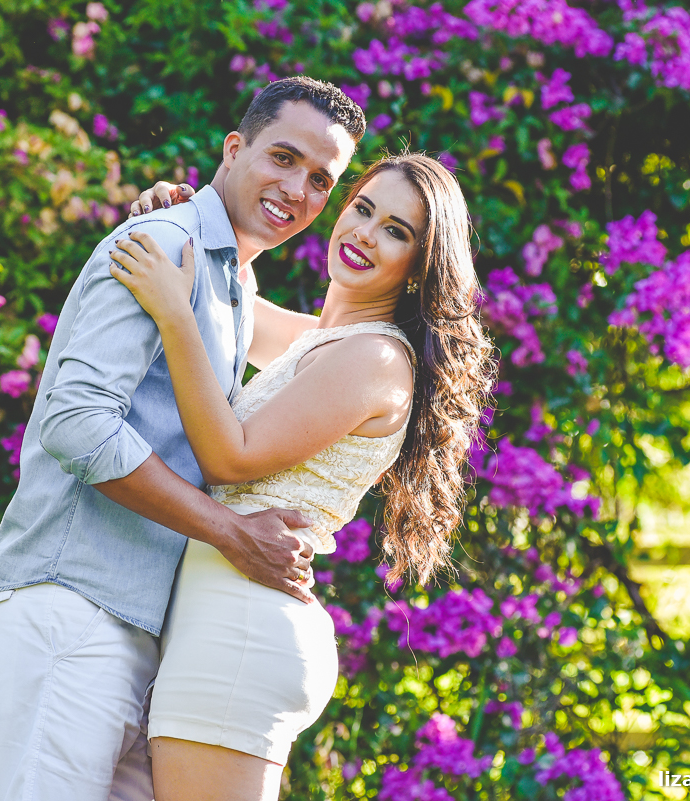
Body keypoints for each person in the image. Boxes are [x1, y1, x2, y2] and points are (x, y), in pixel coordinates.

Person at [0, 77, 365, 801]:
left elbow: (349, 351)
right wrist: (231, 531)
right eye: (282, 157)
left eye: (319, 180)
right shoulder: (163, 243)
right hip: (70, 609)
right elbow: (76, 423)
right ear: (234, 148)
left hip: (140, 636)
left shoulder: (230, 279)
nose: (296, 188)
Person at [113, 152, 496, 801]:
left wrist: (176, 315)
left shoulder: (375, 357)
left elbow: (229, 456)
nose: (366, 234)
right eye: (364, 208)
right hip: (221, 615)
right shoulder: (321, 340)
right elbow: (227, 301)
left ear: (416, 270)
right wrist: (178, 215)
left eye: (397, 231)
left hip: (239, 626)